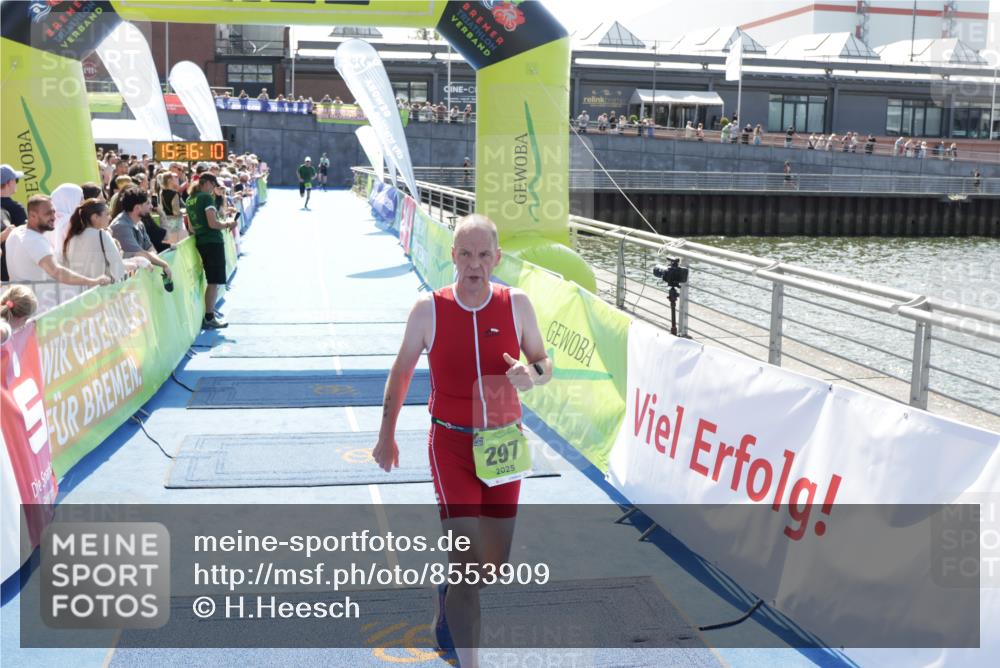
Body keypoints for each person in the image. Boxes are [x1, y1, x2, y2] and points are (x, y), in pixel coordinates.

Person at [372, 214, 552, 668]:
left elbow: (544, 365)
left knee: (492, 567)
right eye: (466, 254)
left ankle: (448, 588)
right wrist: (385, 436)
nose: (475, 264)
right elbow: (402, 371)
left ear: (497, 257)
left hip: (503, 446)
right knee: (470, 566)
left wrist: (530, 376)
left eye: (483, 254)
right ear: (453, 256)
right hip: (450, 445)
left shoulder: (518, 304)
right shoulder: (428, 309)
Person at [5, 195, 110, 310]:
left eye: (54, 212)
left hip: (26, 306)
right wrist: (92, 281)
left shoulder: (16, 232)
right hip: (40, 310)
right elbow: (56, 271)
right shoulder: (34, 241)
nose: (54, 217)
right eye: (48, 213)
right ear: (32, 216)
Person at [62, 198, 141, 291]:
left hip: (79, 296)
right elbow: (117, 268)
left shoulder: (72, 238)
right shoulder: (101, 235)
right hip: (102, 293)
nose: (110, 217)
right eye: (107, 214)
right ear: (95, 217)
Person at [109, 187, 173, 284]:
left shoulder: (139, 223)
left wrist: (156, 262)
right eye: (147, 203)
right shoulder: (121, 226)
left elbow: (150, 248)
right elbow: (139, 253)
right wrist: (164, 264)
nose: (151, 206)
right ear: (137, 208)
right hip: (122, 285)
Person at [1, 164, 28, 282]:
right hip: (13, 269)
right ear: (9, 182)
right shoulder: (16, 208)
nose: (16, 183)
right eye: (16, 180)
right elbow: (26, 238)